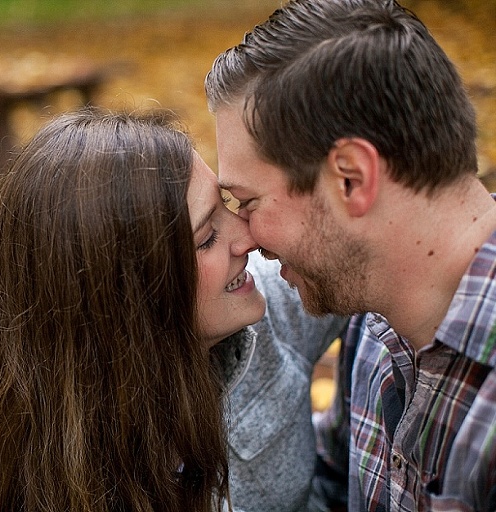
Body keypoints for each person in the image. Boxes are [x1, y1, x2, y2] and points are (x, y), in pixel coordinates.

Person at [0, 108, 345, 512]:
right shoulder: (46, 472)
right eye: (206, 239)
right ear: (127, 300)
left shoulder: (265, 307)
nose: (248, 237)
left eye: (226, 203)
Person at [206, 0, 496, 510]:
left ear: (351, 178)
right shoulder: (374, 320)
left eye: (247, 202)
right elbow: (336, 487)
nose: (247, 237)